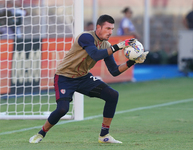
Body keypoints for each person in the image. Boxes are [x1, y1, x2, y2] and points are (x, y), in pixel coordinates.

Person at [29, 14, 148, 144]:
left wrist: (133, 62)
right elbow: (95, 55)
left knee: (113, 95)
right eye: (107, 28)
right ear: (98, 27)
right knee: (63, 109)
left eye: (112, 29)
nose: (110, 32)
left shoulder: (106, 45)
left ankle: (104, 136)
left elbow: (114, 71)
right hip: (64, 77)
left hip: (83, 77)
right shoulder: (86, 37)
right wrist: (118, 46)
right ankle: (41, 133)